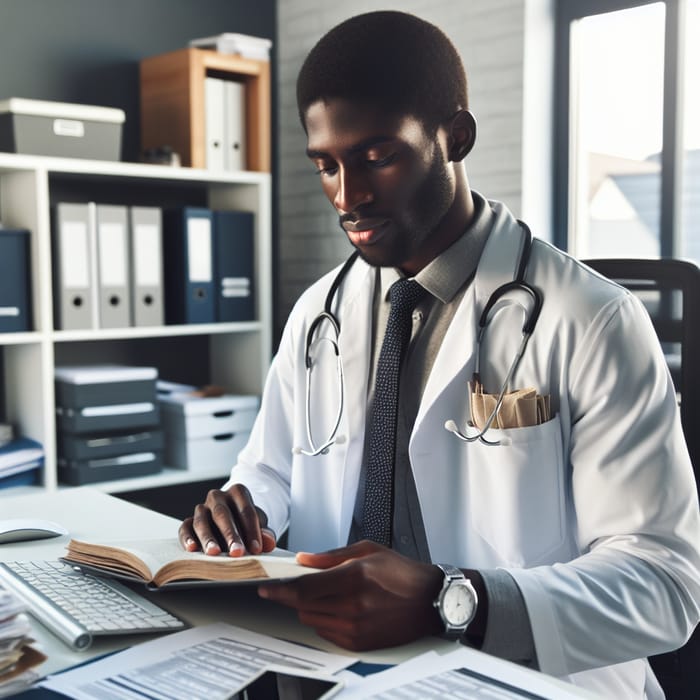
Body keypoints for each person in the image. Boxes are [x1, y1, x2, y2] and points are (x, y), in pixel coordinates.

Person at [179, 10, 700, 698]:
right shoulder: (318, 315)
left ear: (455, 138)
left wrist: (452, 601)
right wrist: (245, 510)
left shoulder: (594, 318)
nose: (348, 196)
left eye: (376, 157)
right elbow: (273, 470)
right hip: (343, 673)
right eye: (326, 165)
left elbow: (663, 586)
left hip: (526, 677)